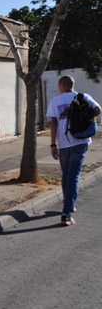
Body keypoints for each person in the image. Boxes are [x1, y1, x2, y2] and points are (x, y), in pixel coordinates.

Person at [46, 75, 100, 226]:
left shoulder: (55, 101)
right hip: (80, 140)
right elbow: (98, 109)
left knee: (67, 176)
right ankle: (67, 212)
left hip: (63, 143)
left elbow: (53, 124)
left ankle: (68, 207)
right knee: (73, 176)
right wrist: (85, 119)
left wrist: (52, 145)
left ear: (62, 85)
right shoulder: (84, 97)